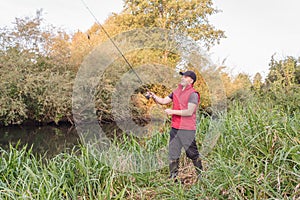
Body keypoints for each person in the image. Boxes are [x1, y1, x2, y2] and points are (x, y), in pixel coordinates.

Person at [147, 70, 203, 181]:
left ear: (191, 80)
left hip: (187, 129)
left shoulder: (193, 94)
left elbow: (189, 112)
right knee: (173, 154)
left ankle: (201, 176)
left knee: (193, 154)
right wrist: (153, 96)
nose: (182, 78)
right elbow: (163, 101)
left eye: (185, 77)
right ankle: (173, 178)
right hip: (175, 128)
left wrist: (172, 112)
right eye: (182, 76)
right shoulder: (176, 91)